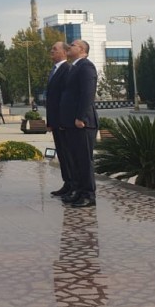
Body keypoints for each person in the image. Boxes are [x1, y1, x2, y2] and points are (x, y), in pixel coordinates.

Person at [60, 39, 98, 208]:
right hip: (71, 123)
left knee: (84, 160)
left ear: (82, 49)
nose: (69, 47)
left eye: (73, 45)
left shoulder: (86, 66)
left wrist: (81, 117)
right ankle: (80, 192)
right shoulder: (74, 67)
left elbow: (88, 94)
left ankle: (89, 195)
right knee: (76, 160)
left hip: (83, 123)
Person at [44, 41, 72, 198]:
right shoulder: (54, 70)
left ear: (64, 52)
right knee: (61, 153)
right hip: (55, 122)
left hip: (63, 122)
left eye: (55, 49)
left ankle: (72, 184)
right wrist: (50, 122)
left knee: (67, 154)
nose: (51, 51)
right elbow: (52, 100)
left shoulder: (66, 69)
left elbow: (64, 99)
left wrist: (62, 120)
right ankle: (67, 183)